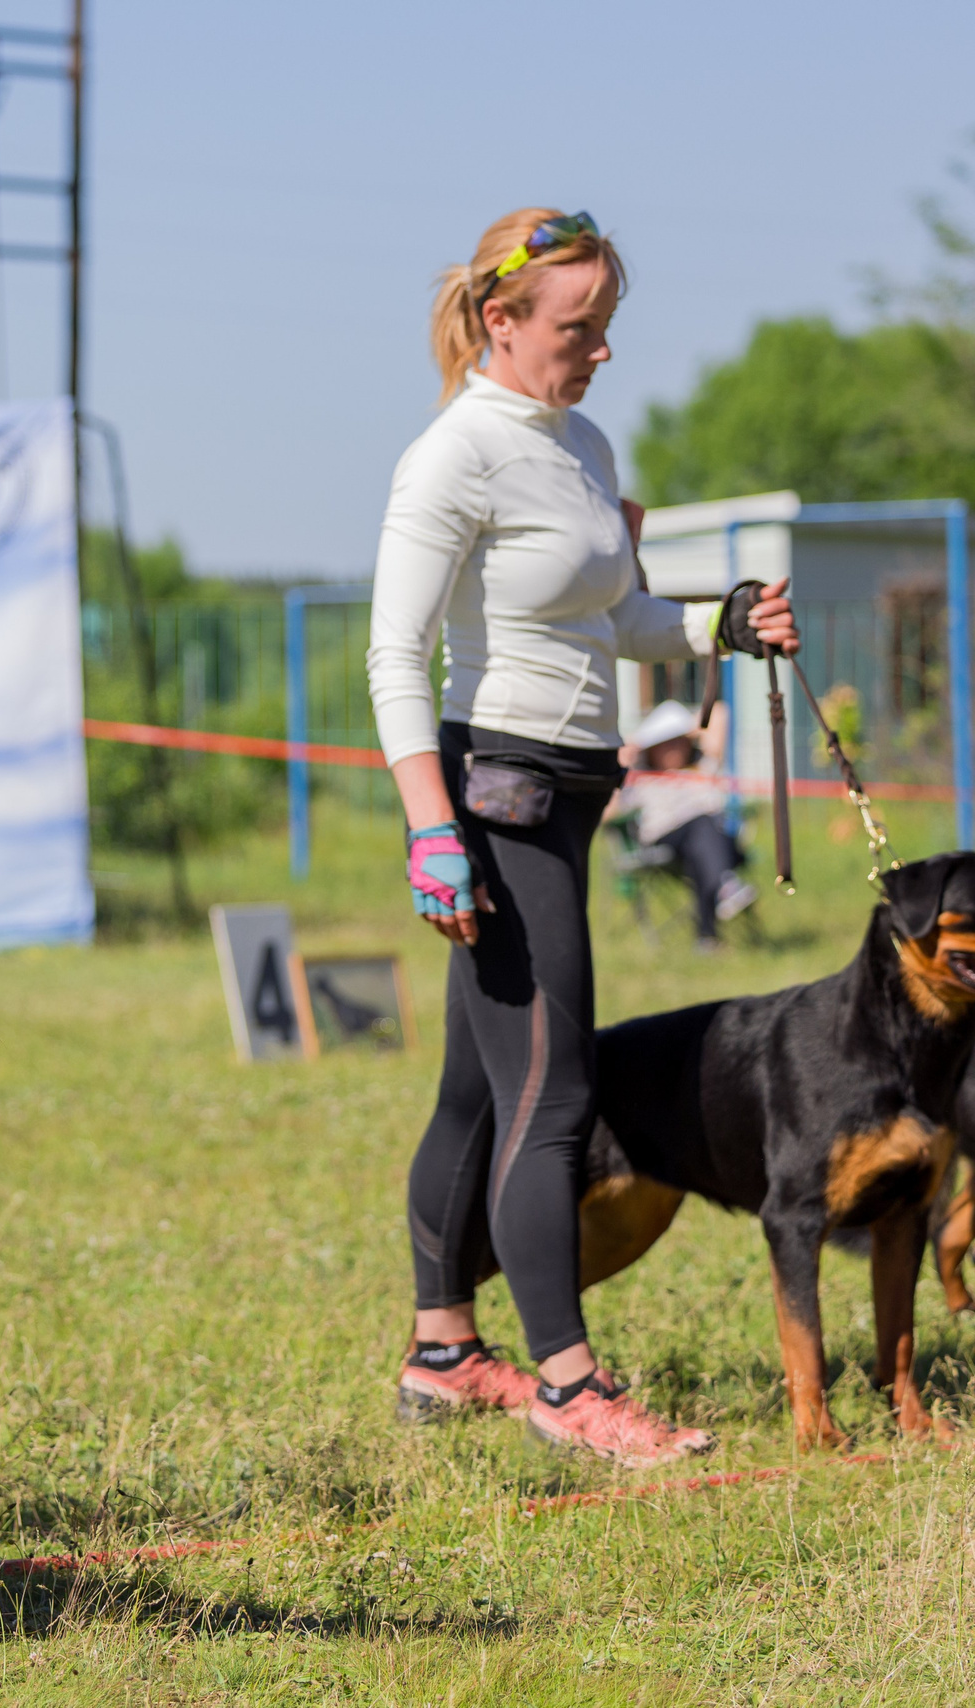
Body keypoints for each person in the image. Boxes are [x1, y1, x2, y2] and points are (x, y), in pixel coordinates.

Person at [365, 208, 800, 1465]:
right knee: (552, 1092)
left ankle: (442, 1349)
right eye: (578, 327)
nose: (600, 349)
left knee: (474, 1085)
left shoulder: (581, 440)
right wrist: (429, 833)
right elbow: (395, 655)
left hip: (572, 785)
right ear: (500, 320)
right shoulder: (451, 456)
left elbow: (612, 622)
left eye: (607, 326)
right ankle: (566, 1384)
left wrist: (721, 625)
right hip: (489, 796)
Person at [609, 699, 757, 947]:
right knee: (702, 827)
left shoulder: (702, 767)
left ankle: (707, 939)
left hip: (709, 840)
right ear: (651, 749)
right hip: (667, 840)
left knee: (703, 845)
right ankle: (726, 886)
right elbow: (608, 813)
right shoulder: (641, 779)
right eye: (665, 743)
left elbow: (719, 711)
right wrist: (629, 752)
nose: (674, 748)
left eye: (678, 740)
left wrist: (690, 728)